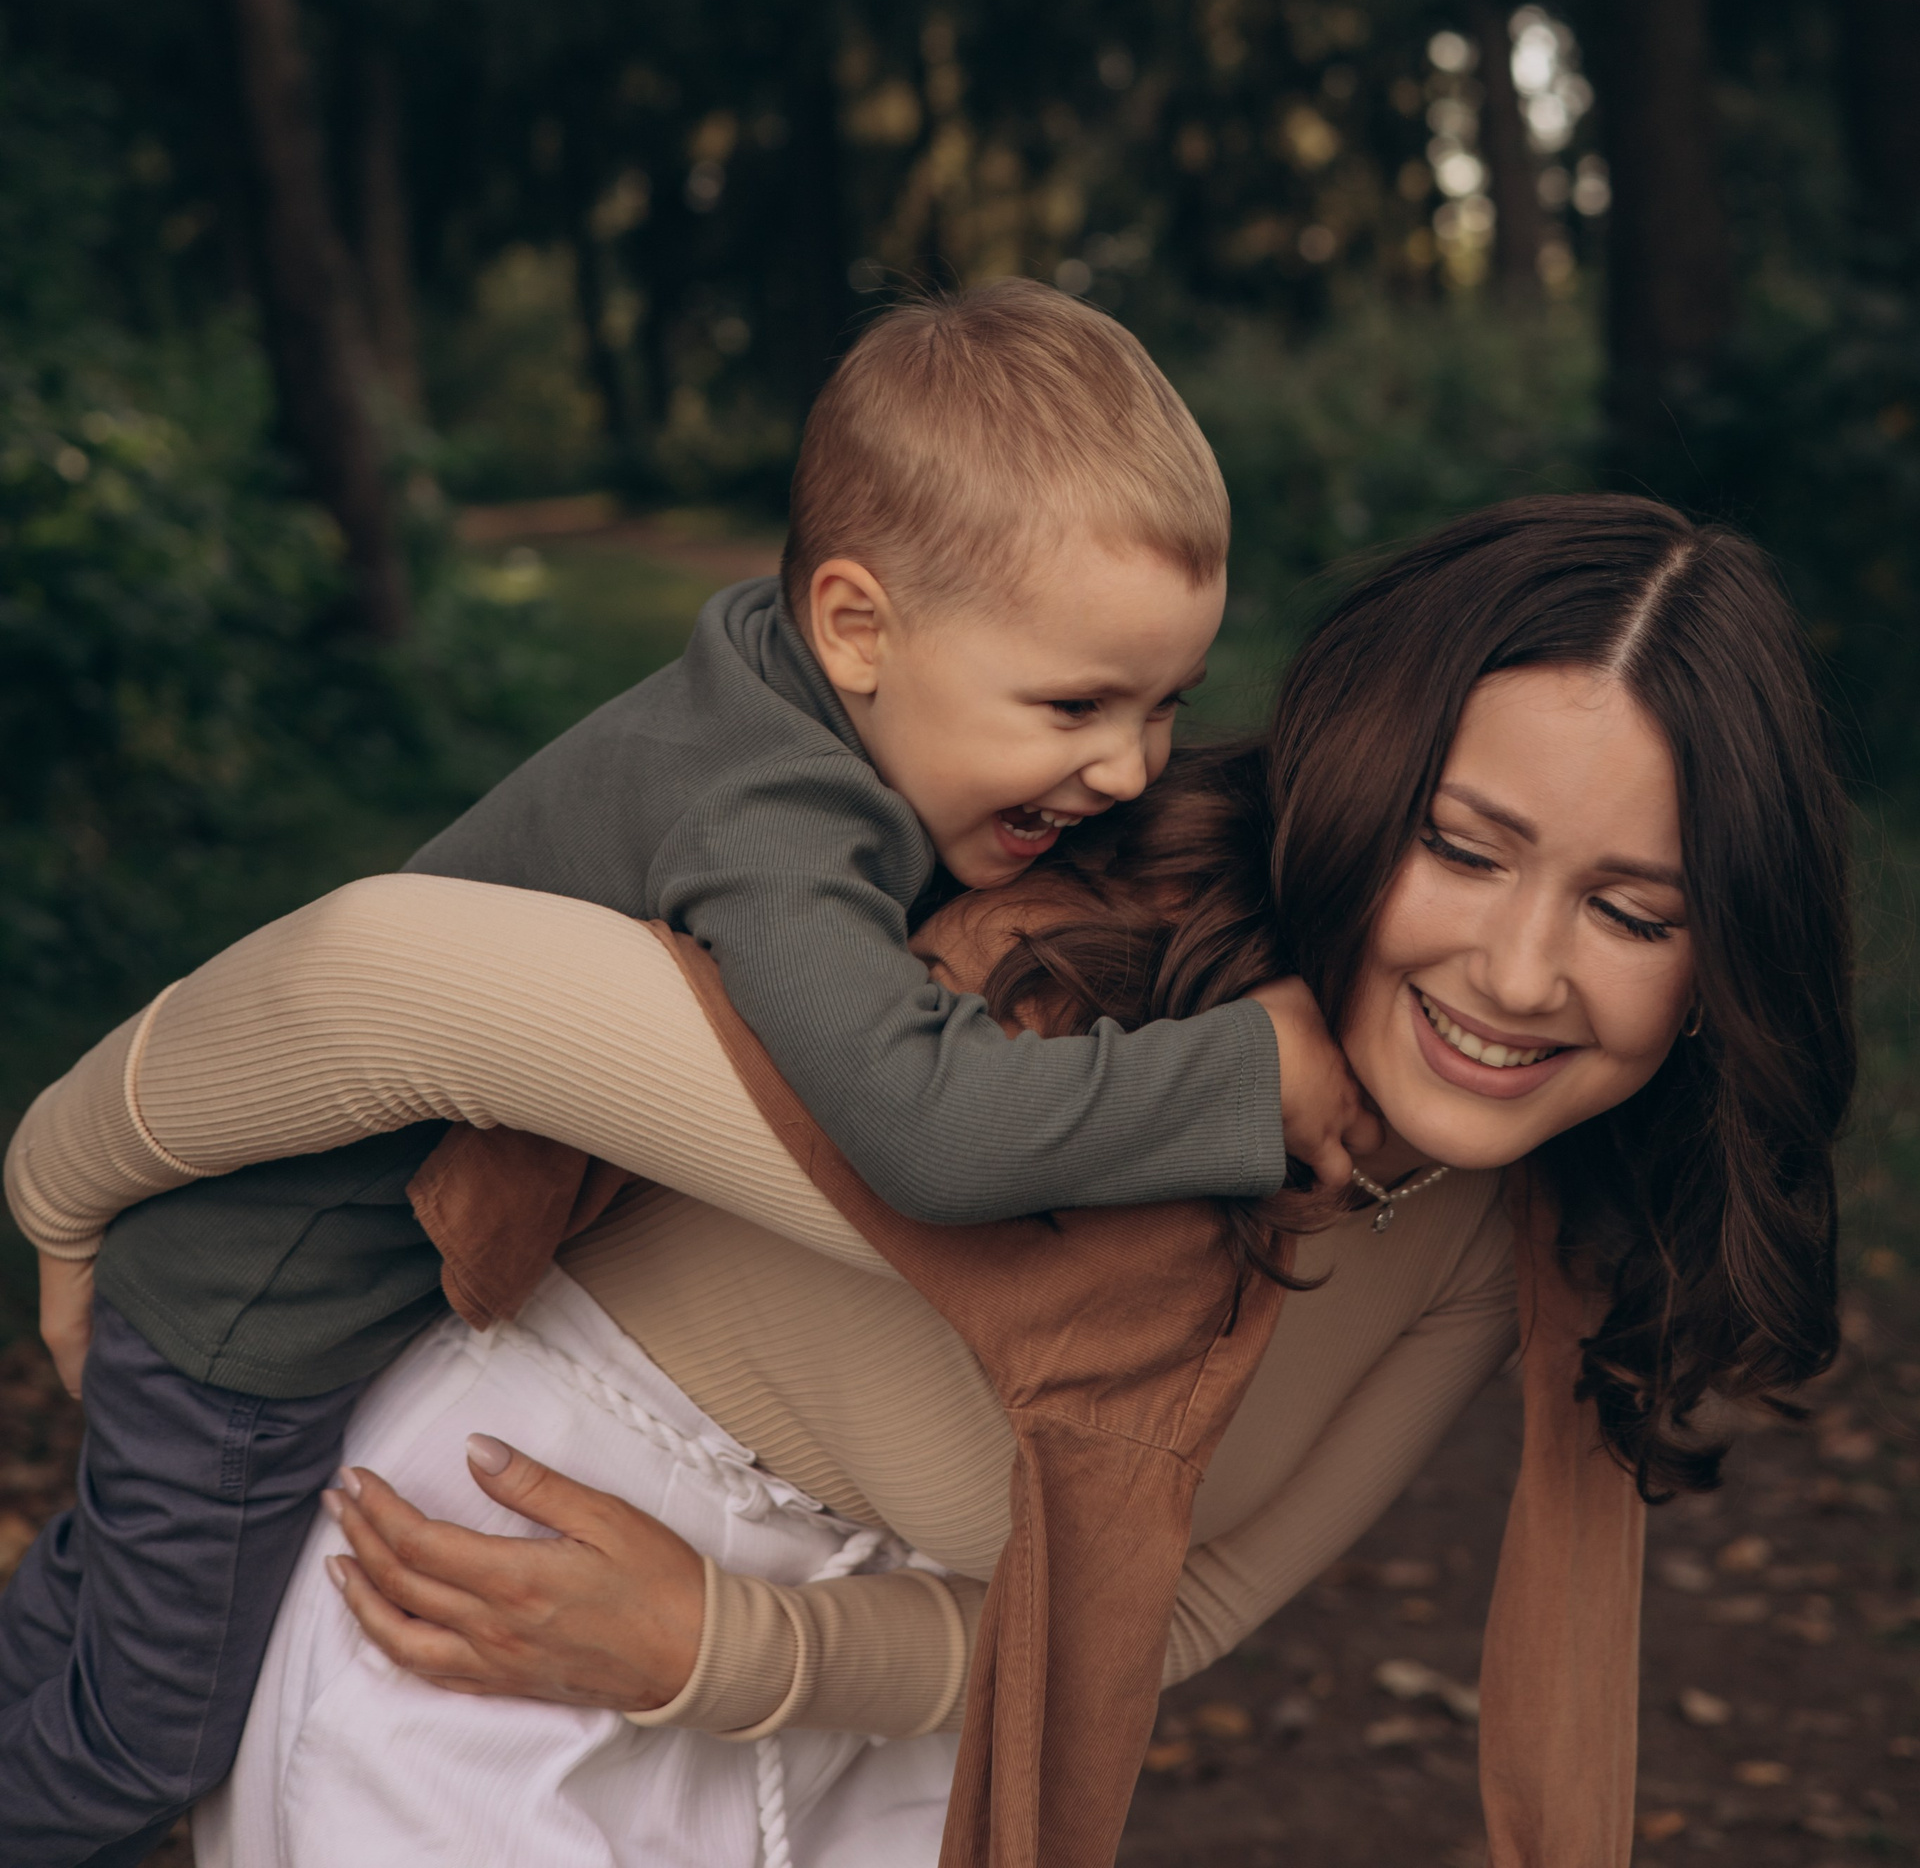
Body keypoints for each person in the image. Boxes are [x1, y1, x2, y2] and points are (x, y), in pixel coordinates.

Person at [9, 496, 1854, 1868]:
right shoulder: (1046, 1002)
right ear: (1365, 792)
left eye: (1632, 914)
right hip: (494, 1593)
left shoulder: (1501, 1233)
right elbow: (388, 977)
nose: (1520, 975)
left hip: (862, 1731)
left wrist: (728, 1648)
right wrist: (60, 1194)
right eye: (1465, 848)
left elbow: (1168, 1613)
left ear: (1720, 971)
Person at [0, 282, 1375, 1868]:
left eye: (1165, 706)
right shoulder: (770, 815)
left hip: (264, 1283)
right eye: (1075, 706)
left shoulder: (794, 697)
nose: (1129, 767)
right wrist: (1242, 1077)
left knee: (76, 1631)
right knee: (145, 1734)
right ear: (857, 628)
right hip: (254, 1324)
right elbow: (928, 1126)